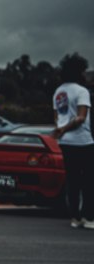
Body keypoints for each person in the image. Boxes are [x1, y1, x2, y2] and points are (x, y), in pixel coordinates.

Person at [52, 76, 94, 229]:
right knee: (89, 180)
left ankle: (75, 218)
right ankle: (89, 218)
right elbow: (81, 118)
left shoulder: (58, 92)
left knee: (73, 179)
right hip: (83, 140)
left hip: (65, 142)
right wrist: (65, 128)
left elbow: (57, 118)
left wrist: (61, 130)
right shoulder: (82, 91)